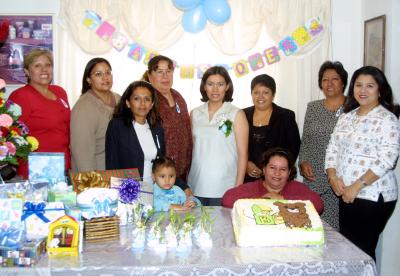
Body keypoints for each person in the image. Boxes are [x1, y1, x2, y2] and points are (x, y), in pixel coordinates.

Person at [325, 66, 400, 260]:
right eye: (358, 85)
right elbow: (332, 149)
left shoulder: (387, 119)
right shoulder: (346, 117)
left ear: (380, 90)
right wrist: (333, 177)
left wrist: (357, 186)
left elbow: (387, 159)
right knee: (348, 249)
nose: (363, 90)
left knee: (362, 251)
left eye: (369, 86)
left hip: (373, 195)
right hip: (346, 192)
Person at [188, 66, 249, 206]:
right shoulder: (195, 113)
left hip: (225, 187)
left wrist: (238, 188)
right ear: (204, 87)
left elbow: (243, 154)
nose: (215, 89)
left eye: (220, 84)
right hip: (196, 185)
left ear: (227, 86)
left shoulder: (236, 113)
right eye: (210, 84)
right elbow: (192, 150)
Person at [298, 61, 348, 230]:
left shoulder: (353, 107)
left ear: (343, 82)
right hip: (315, 179)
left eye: (335, 79)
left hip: (342, 181)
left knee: (342, 234)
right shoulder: (312, 107)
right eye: (325, 80)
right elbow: (305, 141)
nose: (329, 83)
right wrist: (303, 162)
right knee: (316, 230)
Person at [8, 48, 70, 179]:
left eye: (48, 65)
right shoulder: (20, 96)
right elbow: (9, 135)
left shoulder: (60, 92)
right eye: (37, 66)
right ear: (27, 71)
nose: (44, 70)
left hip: (63, 165)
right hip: (36, 170)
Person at [222, 147, 324, 214]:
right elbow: (227, 199)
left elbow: (319, 205)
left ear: (289, 173)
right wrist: (263, 201)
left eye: (283, 169)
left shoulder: (297, 187)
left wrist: (282, 199)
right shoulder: (252, 187)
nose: (277, 173)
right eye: (272, 168)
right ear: (264, 169)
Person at [243, 74, 300, 183]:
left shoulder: (286, 116)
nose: (260, 96)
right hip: (247, 178)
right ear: (251, 94)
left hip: (277, 179)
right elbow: (234, 146)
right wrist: (245, 163)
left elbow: (293, 148)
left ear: (273, 94)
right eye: (256, 92)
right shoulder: (242, 115)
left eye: (266, 92)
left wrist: (272, 169)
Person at [105, 80, 164, 184]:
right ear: (128, 103)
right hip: (128, 191)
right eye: (137, 99)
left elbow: (163, 163)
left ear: (152, 104)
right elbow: (112, 164)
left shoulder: (157, 128)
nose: (142, 103)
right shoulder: (117, 126)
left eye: (147, 99)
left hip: (155, 189)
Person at [144, 55, 192, 182]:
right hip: (159, 174)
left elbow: (187, 129)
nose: (165, 76)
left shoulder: (178, 97)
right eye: (159, 72)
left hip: (182, 170)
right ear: (149, 76)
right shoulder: (147, 100)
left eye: (168, 71)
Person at [70, 57, 120, 172]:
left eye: (108, 73)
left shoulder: (119, 99)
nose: (105, 78)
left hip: (118, 172)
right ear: (88, 79)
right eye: (98, 74)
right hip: (97, 175)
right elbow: (82, 153)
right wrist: (92, 183)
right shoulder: (83, 108)